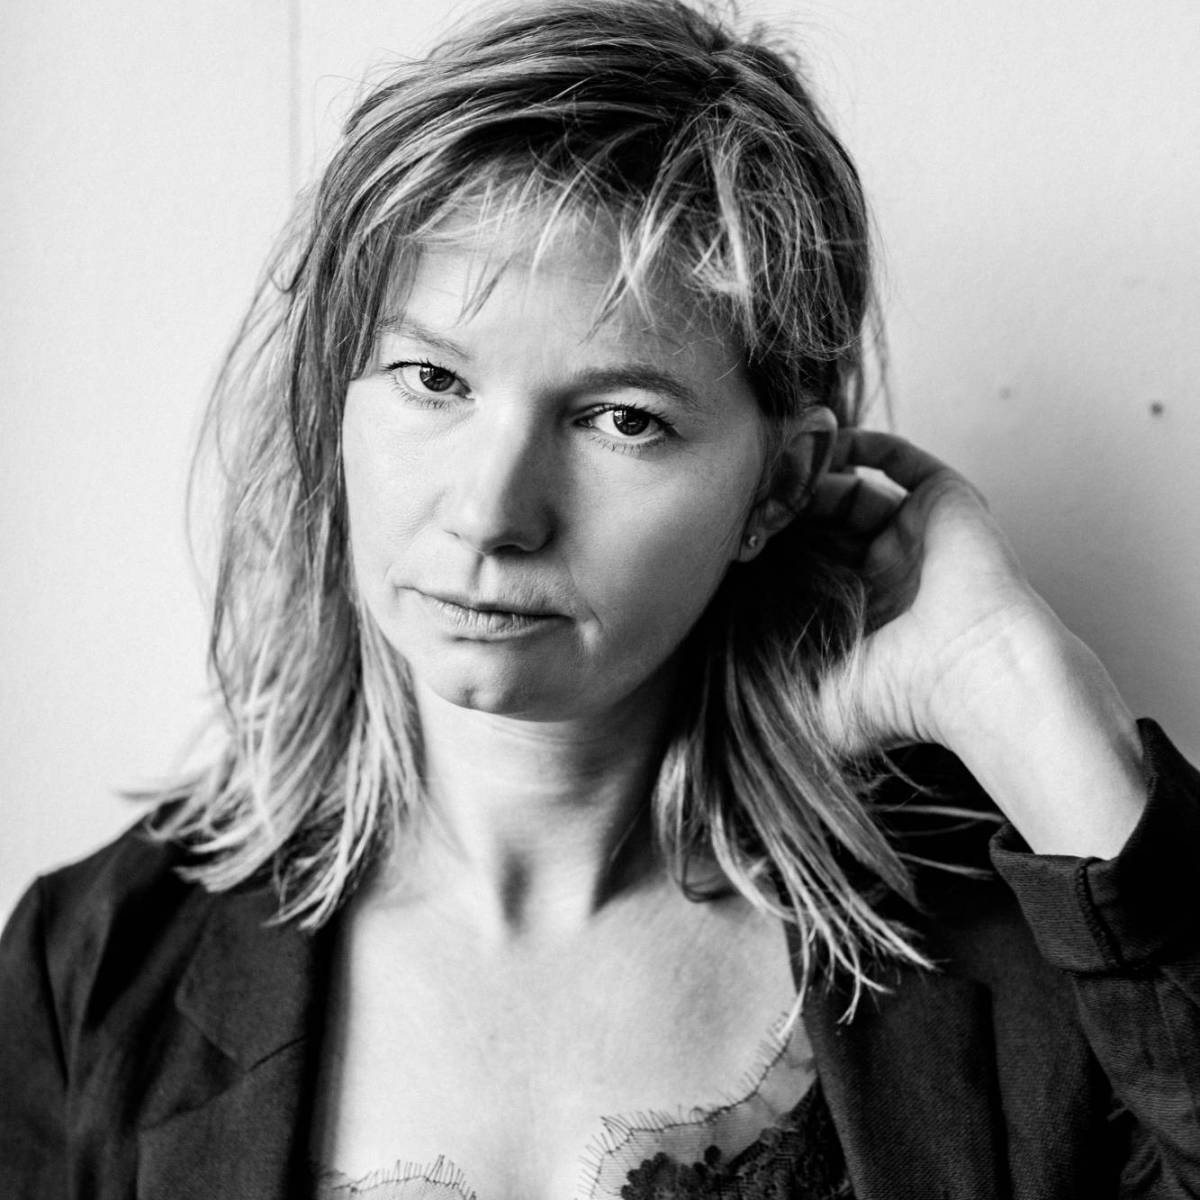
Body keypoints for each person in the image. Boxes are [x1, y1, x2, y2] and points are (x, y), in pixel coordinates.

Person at [1, 1, 1197, 1196]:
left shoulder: (1008, 956)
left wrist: (1014, 687)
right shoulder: (93, 971)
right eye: (432, 378)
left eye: (621, 419)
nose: (492, 514)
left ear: (778, 486)